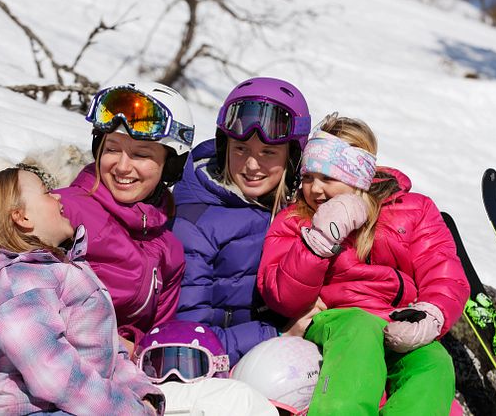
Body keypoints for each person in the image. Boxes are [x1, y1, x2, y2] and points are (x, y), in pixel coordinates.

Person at [0, 82, 194, 414]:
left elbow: (156, 332)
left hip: (116, 381)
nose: (122, 166)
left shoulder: (169, 249)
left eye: (142, 154)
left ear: (170, 166)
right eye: (112, 148)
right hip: (50, 395)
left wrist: (136, 356)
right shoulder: (63, 214)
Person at [257, 113, 470, 415]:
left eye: (328, 178)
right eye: (308, 178)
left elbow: (443, 273)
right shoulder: (296, 221)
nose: (314, 190)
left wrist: (430, 315)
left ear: (357, 177)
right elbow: (281, 295)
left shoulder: (414, 210)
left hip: (396, 325)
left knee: (435, 362)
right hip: (338, 321)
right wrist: (317, 242)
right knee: (359, 331)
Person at [0, 167, 163, 415]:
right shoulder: (19, 283)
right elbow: (52, 374)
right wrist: (128, 410)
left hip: (81, 406)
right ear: (22, 217)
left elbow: (108, 351)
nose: (58, 197)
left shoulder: (63, 268)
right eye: (46, 192)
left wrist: (140, 392)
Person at [172, 77, 323, 366]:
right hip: (226, 368)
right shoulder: (196, 222)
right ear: (224, 147)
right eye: (241, 149)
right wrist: (278, 333)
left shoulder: (302, 208)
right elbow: (190, 338)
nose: (252, 165)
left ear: (291, 158)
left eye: (268, 153)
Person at [133, 320, 277, 415]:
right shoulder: (239, 396)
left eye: (188, 366)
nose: (173, 374)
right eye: (160, 367)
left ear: (217, 365)